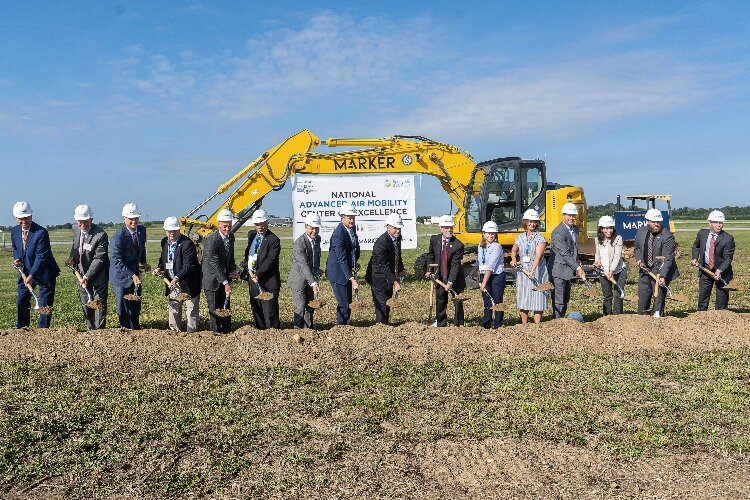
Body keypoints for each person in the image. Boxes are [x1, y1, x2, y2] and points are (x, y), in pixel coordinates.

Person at [11, 201, 60, 328]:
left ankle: (42, 331)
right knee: (22, 299)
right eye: (21, 219)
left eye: (27, 217)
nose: (24, 221)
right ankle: (22, 328)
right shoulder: (15, 231)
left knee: (44, 304)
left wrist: (31, 275)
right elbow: (17, 249)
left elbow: (41, 257)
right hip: (25, 272)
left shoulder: (41, 233)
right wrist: (17, 260)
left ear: (31, 216)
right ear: (16, 218)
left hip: (44, 273)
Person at [155, 216, 201, 332]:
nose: (171, 233)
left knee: (191, 309)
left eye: (174, 230)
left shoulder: (187, 244)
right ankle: (174, 333)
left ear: (179, 229)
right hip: (172, 282)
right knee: (174, 308)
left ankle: (192, 334)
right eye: (169, 231)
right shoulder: (165, 242)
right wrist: (159, 268)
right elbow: (163, 259)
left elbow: (188, 266)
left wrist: (176, 279)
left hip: (188, 282)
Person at [67, 204, 108, 330]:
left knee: (98, 304)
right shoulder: (75, 228)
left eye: (85, 222)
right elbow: (76, 247)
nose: (82, 225)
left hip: (98, 276)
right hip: (81, 274)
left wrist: (87, 276)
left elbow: (99, 258)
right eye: (80, 222)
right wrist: (72, 258)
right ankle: (90, 329)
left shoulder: (100, 235)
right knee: (86, 303)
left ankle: (99, 331)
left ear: (91, 219)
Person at [110, 202, 151, 329]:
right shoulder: (118, 237)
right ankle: (125, 328)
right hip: (121, 276)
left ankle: (135, 327)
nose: (134, 221)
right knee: (123, 306)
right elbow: (116, 261)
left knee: (135, 303)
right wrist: (132, 275)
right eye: (131, 219)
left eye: (136, 218)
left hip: (135, 273)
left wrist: (143, 262)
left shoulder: (142, 230)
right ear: (124, 218)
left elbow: (141, 248)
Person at [634, 208, 679, 317]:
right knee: (643, 298)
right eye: (654, 222)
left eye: (658, 222)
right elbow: (637, 248)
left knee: (658, 300)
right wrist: (639, 259)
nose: (657, 224)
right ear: (647, 221)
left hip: (660, 271)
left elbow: (668, 258)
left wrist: (663, 276)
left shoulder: (667, 236)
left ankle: (658, 319)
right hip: (645, 270)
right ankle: (643, 317)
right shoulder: (641, 231)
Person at [202, 208, 240, 334]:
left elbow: (230, 257)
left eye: (229, 226)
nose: (227, 229)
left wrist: (233, 270)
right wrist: (225, 282)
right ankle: (216, 334)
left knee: (226, 307)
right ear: (218, 224)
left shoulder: (231, 237)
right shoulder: (212, 240)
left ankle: (227, 332)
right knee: (214, 310)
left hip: (224, 278)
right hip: (212, 280)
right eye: (225, 226)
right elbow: (214, 263)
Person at [425, 215, 466, 327]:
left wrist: (450, 282)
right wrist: (429, 270)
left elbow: (455, 265)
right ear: (441, 228)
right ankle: (441, 322)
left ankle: (459, 324)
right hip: (440, 276)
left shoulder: (458, 245)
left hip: (455, 277)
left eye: (451, 227)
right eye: (446, 228)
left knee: (457, 300)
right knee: (441, 299)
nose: (449, 230)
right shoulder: (435, 239)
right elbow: (431, 255)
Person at [243, 209, 281, 329]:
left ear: (267, 223)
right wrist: (247, 269)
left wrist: (257, 273)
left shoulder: (273, 240)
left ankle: (272, 334)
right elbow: (248, 255)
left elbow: (270, 260)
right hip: (253, 280)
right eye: (257, 224)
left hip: (268, 281)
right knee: (257, 308)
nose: (260, 227)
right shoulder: (251, 235)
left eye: (262, 224)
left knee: (269, 311)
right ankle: (260, 332)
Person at [548, 202, 587, 319]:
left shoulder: (575, 229)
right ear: (563, 215)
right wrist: (578, 267)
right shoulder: (558, 232)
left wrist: (577, 263)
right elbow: (565, 253)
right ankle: (557, 323)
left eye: (573, 215)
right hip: (558, 270)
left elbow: (573, 249)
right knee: (559, 300)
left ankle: (562, 321)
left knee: (565, 298)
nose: (571, 218)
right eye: (569, 215)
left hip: (568, 269)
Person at [365, 213, 406, 325]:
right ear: (388, 227)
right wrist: (395, 282)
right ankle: (380, 328)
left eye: (399, 228)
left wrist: (401, 268)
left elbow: (397, 255)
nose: (398, 231)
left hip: (388, 276)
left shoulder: (397, 238)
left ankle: (386, 325)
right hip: (378, 278)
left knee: (388, 302)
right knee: (381, 305)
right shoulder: (381, 243)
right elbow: (383, 266)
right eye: (395, 228)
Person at [691, 210, 735, 310]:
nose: (718, 225)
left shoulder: (728, 238)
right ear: (710, 223)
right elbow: (696, 246)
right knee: (703, 295)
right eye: (715, 222)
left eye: (720, 223)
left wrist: (719, 270)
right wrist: (694, 257)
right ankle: (701, 316)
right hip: (705, 269)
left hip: (722, 272)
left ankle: (720, 318)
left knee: (721, 298)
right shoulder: (702, 234)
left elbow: (728, 258)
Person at [510, 209, 549, 324]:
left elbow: (538, 256)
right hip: (523, 272)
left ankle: (537, 325)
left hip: (537, 271)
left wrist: (532, 270)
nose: (532, 224)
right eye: (530, 221)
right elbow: (514, 250)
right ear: (525, 222)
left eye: (534, 222)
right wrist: (513, 259)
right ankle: (524, 324)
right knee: (524, 296)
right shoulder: (520, 237)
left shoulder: (540, 238)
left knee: (538, 296)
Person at [326, 202, 361, 325]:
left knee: (348, 301)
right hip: (337, 273)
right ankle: (342, 328)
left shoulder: (351, 229)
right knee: (344, 303)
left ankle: (346, 324)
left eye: (353, 217)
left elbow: (353, 248)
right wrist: (351, 278)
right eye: (349, 217)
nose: (352, 220)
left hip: (345, 269)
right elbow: (341, 259)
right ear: (342, 218)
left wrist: (354, 262)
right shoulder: (338, 235)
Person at [287, 212, 323, 329]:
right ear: (306, 227)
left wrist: (317, 271)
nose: (314, 231)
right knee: (300, 307)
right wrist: (313, 282)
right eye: (312, 228)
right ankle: (297, 331)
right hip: (298, 280)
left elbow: (315, 257)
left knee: (309, 306)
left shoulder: (317, 239)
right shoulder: (299, 243)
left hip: (310, 277)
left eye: (317, 228)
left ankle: (308, 330)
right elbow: (303, 264)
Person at [473, 220, 505, 328]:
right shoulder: (480, 246)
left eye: (493, 233)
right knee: (487, 300)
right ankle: (486, 324)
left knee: (497, 300)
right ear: (484, 234)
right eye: (488, 233)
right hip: (484, 275)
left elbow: (490, 267)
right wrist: (473, 272)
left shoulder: (496, 247)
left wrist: (483, 283)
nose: (491, 235)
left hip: (496, 276)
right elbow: (479, 261)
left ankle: (498, 325)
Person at [593, 215, 627, 315]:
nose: (609, 231)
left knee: (618, 295)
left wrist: (611, 271)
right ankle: (606, 317)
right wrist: (597, 262)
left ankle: (617, 317)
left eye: (611, 228)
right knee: (607, 295)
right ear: (601, 229)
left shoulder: (618, 239)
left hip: (618, 271)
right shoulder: (597, 240)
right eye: (606, 228)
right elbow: (597, 254)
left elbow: (617, 256)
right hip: (604, 272)